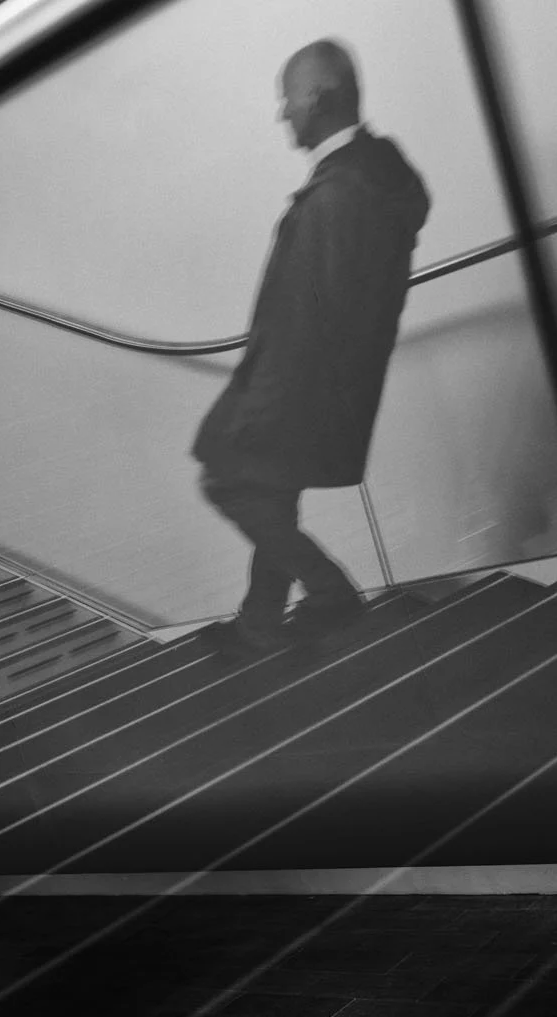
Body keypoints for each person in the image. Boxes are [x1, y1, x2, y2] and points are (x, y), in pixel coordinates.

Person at [194, 39, 430, 658]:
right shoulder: (375, 180)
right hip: (336, 388)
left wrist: (258, 407)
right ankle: (258, 622)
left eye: (288, 98)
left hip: (298, 389)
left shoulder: (338, 196)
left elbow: (304, 324)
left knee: (227, 482)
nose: (282, 114)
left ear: (319, 98)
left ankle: (330, 594)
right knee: (273, 495)